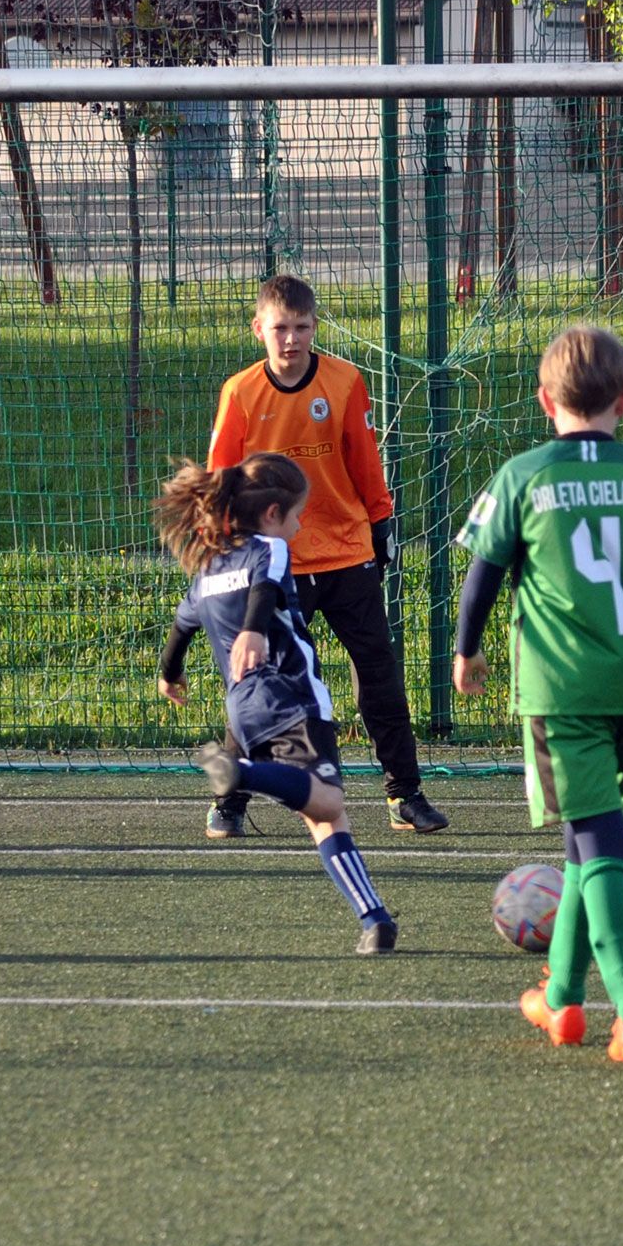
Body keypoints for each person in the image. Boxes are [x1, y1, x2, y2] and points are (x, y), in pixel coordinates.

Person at [451, 324, 623, 1063]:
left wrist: (465, 652)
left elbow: (484, 575)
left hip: (561, 689)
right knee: (582, 841)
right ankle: (561, 1000)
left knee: (601, 847)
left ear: (543, 400)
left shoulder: (523, 473)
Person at [205, 274, 448, 840]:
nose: (291, 340)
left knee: (380, 676)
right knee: (257, 679)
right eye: (280, 328)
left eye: (302, 328)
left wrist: (381, 518)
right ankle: (230, 802)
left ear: (315, 328)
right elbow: (221, 477)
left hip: (346, 551)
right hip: (273, 565)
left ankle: (404, 796)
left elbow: (363, 459)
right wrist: (222, 542)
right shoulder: (239, 392)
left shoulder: (343, 382)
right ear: (258, 329)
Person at [154, 452, 399, 955]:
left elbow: (180, 631)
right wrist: (251, 630)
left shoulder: (207, 568)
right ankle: (241, 775)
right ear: (271, 515)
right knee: (329, 802)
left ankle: (375, 920)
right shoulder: (267, 548)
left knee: (323, 818)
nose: (300, 522)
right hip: (292, 699)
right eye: (296, 514)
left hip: (243, 710)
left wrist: (169, 674)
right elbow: (265, 588)